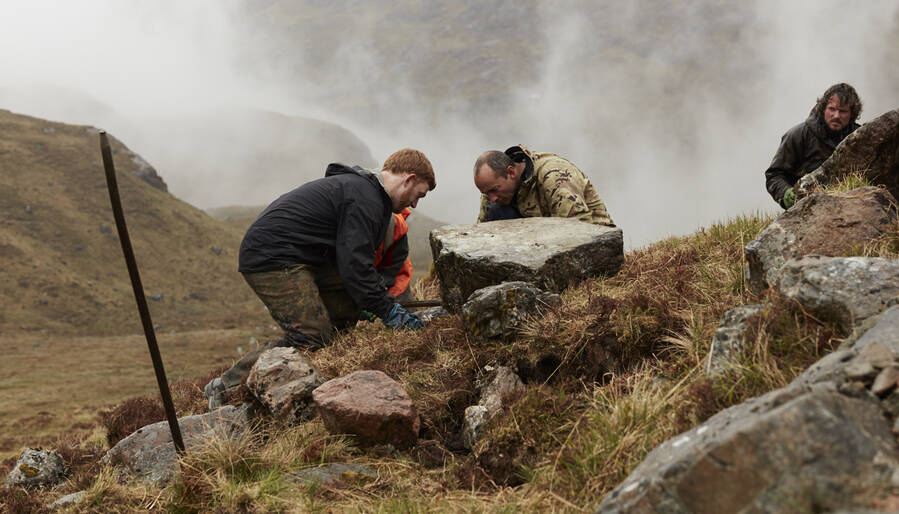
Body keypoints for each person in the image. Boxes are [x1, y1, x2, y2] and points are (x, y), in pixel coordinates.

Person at [205, 149, 434, 407]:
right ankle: (225, 386)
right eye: (419, 195)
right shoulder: (365, 198)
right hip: (272, 258)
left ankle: (315, 347)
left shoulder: (367, 194)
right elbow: (355, 266)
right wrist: (387, 310)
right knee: (312, 336)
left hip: (300, 258)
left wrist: (370, 304)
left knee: (346, 307)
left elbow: (354, 267)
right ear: (409, 179)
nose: (415, 204)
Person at [764, 83, 863, 209]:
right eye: (832, 109)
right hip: (806, 210)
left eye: (843, 111)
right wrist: (786, 195)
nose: (836, 116)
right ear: (823, 109)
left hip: (851, 207)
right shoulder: (798, 135)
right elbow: (775, 174)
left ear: (852, 114)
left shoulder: (859, 137)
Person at [473, 145, 614, 226]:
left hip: (595, 246)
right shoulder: (491, 192)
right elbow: (482, 236)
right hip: (540, 250)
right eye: (485, 193)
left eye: (494, 190)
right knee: (496, 212)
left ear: (510, 172)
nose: (491, 198)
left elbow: (580, 227)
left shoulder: (554, 175)